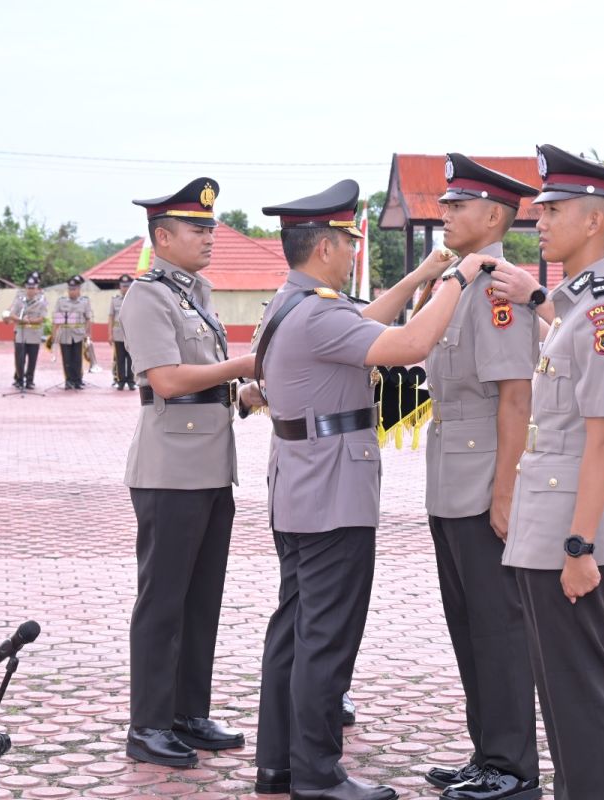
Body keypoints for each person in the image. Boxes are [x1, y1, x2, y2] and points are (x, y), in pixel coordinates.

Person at [251, 178, 483, 800]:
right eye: (350, 240)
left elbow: (365, 322)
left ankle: (278, 765)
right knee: (326, 638)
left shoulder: (293, 303)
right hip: (332, 495)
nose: (354, 249)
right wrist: (459, 281)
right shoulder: (320, 313)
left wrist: (421, 279)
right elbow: (406, 344)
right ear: (327, 246)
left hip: (299, 489)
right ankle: (318, 774)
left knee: (295, 630)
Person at [486, 145, 604, 800]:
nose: (539, 219)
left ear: (592, 223)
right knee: (561, 697)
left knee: (581, 697)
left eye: (553, 210)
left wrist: (580, 548)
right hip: (545, 524)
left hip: (570, 536)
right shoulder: (576, 307)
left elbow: (603, 443)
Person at [418, 153, 542, 800]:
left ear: (493, 216)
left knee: (498, 628)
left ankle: (514, 768)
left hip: (482, 482)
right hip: (450, 475)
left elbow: (516, 399)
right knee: (467, 625)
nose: (445, 214)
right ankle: (487, 752)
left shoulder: (500, 288)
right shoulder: (461, 283)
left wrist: (507, 493)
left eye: (456, 206)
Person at [121, 178, 254, 769]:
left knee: (202, 598)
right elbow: (168, 380)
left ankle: (188, 712)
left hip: (208, 466)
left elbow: (206, 381)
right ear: (162, 236)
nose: (208, 238)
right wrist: (245, 362)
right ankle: (148, 724)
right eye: (198, 230)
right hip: (169, 469)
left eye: (210, 228)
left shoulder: (195, 291)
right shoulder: (146, 296)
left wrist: (243, 389)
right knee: (163, 601)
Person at [54, 275, 93, 389]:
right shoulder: (61, 302)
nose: (72, 292)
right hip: (65, 334)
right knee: (67, 359)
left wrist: (87, 333)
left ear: (79, 290)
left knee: (77, 359)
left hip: (79, 334)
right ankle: (68, 380)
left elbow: (88, 318)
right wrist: (54, 335)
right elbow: (57, 319)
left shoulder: (85, 302)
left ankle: (78, 380)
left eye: (74, 289)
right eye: (70, 289)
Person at [9, 276, 47, 390]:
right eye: (29, 288)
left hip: (34, 334)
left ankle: (30, 380)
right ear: (26, 288)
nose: (30, 290)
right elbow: (12, 315)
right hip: (21, 333)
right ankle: (20, 380)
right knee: (19, 358)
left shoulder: (42, 302)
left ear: (37, 289)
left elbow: (42, 318)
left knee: (32, 359)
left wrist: (29, 320)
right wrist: (21, 320)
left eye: (33, 288)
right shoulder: (19, 300)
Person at [109, 274, 135, 390]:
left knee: (131, 358)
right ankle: (120, 380)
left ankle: (131, 380)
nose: (125, 288)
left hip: (131, 334)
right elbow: (110, 317)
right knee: (119, 358)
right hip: (118, 333)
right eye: (123, 286)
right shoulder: (114, 300)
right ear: (120, 287)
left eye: (127, 286)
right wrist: (109, 334)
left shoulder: (135, 300)